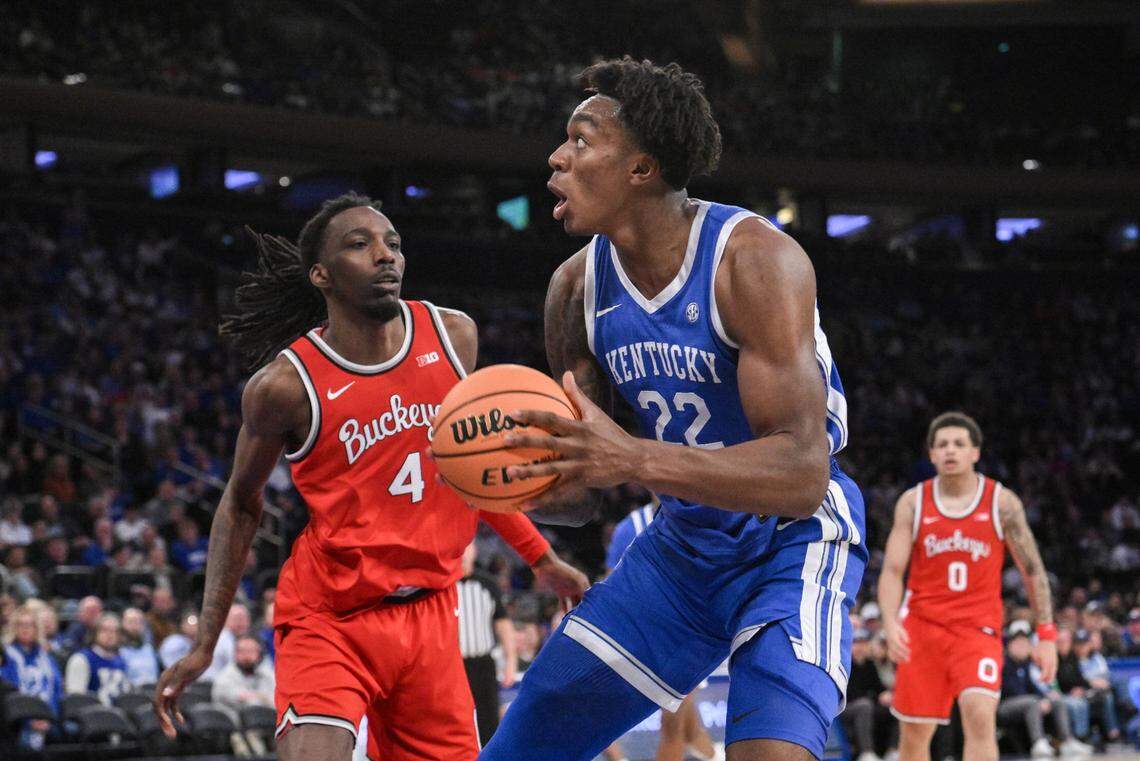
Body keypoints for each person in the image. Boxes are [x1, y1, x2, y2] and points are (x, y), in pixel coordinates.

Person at [484, 58, 865, 761]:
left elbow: (801, 473)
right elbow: (577, 496)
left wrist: (628, 457)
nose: (555, 157)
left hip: (791, 540)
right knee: (520, 746)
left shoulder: (752, 260)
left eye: (580, 138)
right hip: (683, 549)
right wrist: (507, 475)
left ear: (642, 168)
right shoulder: (573, 288)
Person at [154, 193, 588, 761]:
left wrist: (542, 558)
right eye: (360, 245)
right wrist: (205, 641)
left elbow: (468, 471)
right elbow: (240, 505)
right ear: (321, 275)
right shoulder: (284, 387)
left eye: (393, 244)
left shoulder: (453, 337)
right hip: (330, 617)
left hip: (431, 615)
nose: (385, 255)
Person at [877, 412, 1058, 761]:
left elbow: (1033, 570)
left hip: (977, 630)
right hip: (923, 628)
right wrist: (889, 620)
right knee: (914, 733)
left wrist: (1046, 635)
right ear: (931, 454)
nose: (950, 451)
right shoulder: (913, 503)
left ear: (975, 452)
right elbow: (892, 571)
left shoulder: (1002, 503)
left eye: (959, 444)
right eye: (942, 444)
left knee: (979, 716)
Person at [605, 499, 724, 761]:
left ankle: (714, 755)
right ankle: (714, 756)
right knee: (679, 722)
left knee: (678, 721)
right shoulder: (630, 527)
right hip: (646, 635)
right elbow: (614, 586)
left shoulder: (704, 513)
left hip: (691, 632)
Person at [997, 621, 1090, 758]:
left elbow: (1032, 687)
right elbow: (1011, 690)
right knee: (1032, 702)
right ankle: (1038, 742)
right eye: (1019, 644)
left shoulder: (1025, 664)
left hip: (1026, 702)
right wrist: (1039, 701)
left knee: (1055, 700)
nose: (1023, 647)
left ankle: (1068, 741)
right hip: (1004, 705)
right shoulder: (1004, 664)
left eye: (1025, 644)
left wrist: (1045, 698)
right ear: (1010, 645)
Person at [456, 542, 516, 747]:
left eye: (467, 547)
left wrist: (511, 662)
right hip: (450, 665)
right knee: (452, 721)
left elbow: (503, 624)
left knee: (488, 721)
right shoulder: (440, 584)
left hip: (482, 664)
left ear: (474, 550)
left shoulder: (487, 583)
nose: (463, 552)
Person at [2, 603, 63, 750]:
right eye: (20, 624)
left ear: (37, 629)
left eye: (30, 625)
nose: (25, 629)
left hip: (48, 718)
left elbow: (56, 691)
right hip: (15, 721)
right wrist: (28, 720)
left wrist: (48, 718)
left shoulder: (47, 658)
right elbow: (6, 693)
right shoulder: (6, 656)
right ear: (13, 627)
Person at [842, 628, 896, 761]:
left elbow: (878, 687)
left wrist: (886, 694)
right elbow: (850, 693)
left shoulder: (869, 665)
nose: (860, 647)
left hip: (867, 705)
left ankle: (893, 750)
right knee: (864, 705)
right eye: (856, 643)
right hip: (846, 708)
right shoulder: (845, 664)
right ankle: (866, 752)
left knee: (896, 707)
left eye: (863, 643)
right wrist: (875, 697)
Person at [65, 612, 128, 705]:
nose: (110, 635)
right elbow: (76, 700)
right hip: (89, 716)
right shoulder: (81, 659)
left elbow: (125, 695)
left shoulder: (121, 662)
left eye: (115, 631)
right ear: (94, 633)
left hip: (117, 716)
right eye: (105, 630)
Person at [1073, 629, 1121, 745]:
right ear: (1074, 645)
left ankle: (1112, 732)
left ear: (1089, 644)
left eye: (1084, 644)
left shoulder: (1097, 657)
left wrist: (1095, 682)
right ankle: (1084, 736)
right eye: (1079, 644)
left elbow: (1104, 676)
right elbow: (1074, 679)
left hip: (1097, 692)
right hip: (1081, 691)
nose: (1082, 647)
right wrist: (1090, 681)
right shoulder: (1071, 660)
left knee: (1107, 695)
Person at [120, 607, 160, 688]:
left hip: (151, 694)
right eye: (131, 622)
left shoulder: (150, 649)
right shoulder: (116, 651)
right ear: (122, 624)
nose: (135, 626)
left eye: (139, 622)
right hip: (129, 696)